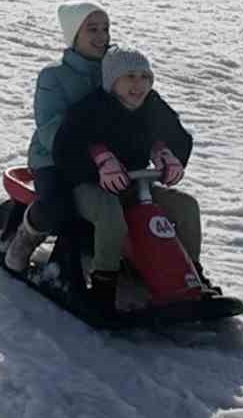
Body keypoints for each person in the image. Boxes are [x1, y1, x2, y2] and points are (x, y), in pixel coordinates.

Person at [52, 46, 202, 311]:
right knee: (111, 217)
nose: (139, 85)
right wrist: (98, 166)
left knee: (186, 206)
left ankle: (191, 275)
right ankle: (103, 287)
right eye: (130, 77)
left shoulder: (152, 105)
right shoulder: (92, 108)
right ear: (112, 80)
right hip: (88, 186)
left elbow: (178, 136)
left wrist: (170, 155)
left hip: (135, 183)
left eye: (145, 77)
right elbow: (65, 150)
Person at [2, 1, 111, 273]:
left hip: (105, 159)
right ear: (74, 35)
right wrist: (87, 156)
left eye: (105, 29)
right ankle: (26, 237)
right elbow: (49, 127)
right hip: (53, 158)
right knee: (58, 206)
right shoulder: (53, 76)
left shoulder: (114, 72)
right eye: (92, 29)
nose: (102, 36)